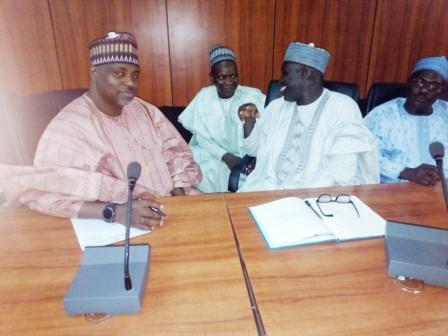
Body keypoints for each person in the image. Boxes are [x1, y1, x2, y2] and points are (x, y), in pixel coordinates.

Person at [0, 32, 201, 229]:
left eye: (135, 75)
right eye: (119, 73)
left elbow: (176, 155)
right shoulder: (69, 127)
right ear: (95, 73)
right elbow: (44, 194)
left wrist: (179, 202)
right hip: (115, 225)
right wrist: (116, 212)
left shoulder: (144, 110)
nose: (131, 83)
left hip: (171, 212)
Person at [238, 42, 379, 192]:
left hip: (317, 198)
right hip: (266, 191)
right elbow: (253, 151)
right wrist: (249, 122)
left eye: (285, 73)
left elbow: (340, 173)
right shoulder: (277, 107)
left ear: (305, 73)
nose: (281, 80)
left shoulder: (343, 107)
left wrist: (292, 196)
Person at [178, 45, 265, 192]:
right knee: (196, 170)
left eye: (233, 76)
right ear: (212, 77)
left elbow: (267, 134)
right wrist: (226, 156)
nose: (229, 82)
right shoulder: (204, 97)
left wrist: (254, 158)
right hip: (213, 155)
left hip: (248, 159)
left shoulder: (253, 97)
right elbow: (202, 138)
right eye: (222, 77)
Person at [364, 56, 448, 185]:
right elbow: (363, 156)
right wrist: (407, 172)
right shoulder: (382, 115)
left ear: (441, 91)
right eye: (419, 82)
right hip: (396, 193)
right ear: (409, 82)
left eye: (433, 86)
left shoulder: (445, 113)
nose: (424, 90)